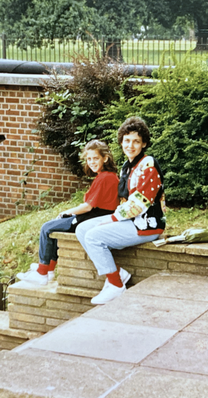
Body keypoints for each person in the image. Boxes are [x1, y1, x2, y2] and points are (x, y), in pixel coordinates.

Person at [76, 117, 165, 304]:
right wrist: (114, 217)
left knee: (94, 236)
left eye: (136, 141)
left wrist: (113, 219)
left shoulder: (148, 164)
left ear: (144, 144)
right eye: (127, 140)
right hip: (129, 220)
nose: (130, 145)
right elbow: (124, 201)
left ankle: (116, 284)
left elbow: (140, 203)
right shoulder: (127, 166)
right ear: (121, 142)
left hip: (146, 224)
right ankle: (117, 273)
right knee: (82, 229)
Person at [18, 140, 119, 285]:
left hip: (91, 217)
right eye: (89, 159)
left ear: (105, 158)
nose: (92, 162)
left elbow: (88, 207)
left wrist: (67, 211)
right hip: (97, 215)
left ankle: (41, 273)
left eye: (95, 158)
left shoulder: (104, 178)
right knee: (55, 227)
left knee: (47, 227)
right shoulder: (109, 175)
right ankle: (49, 269)